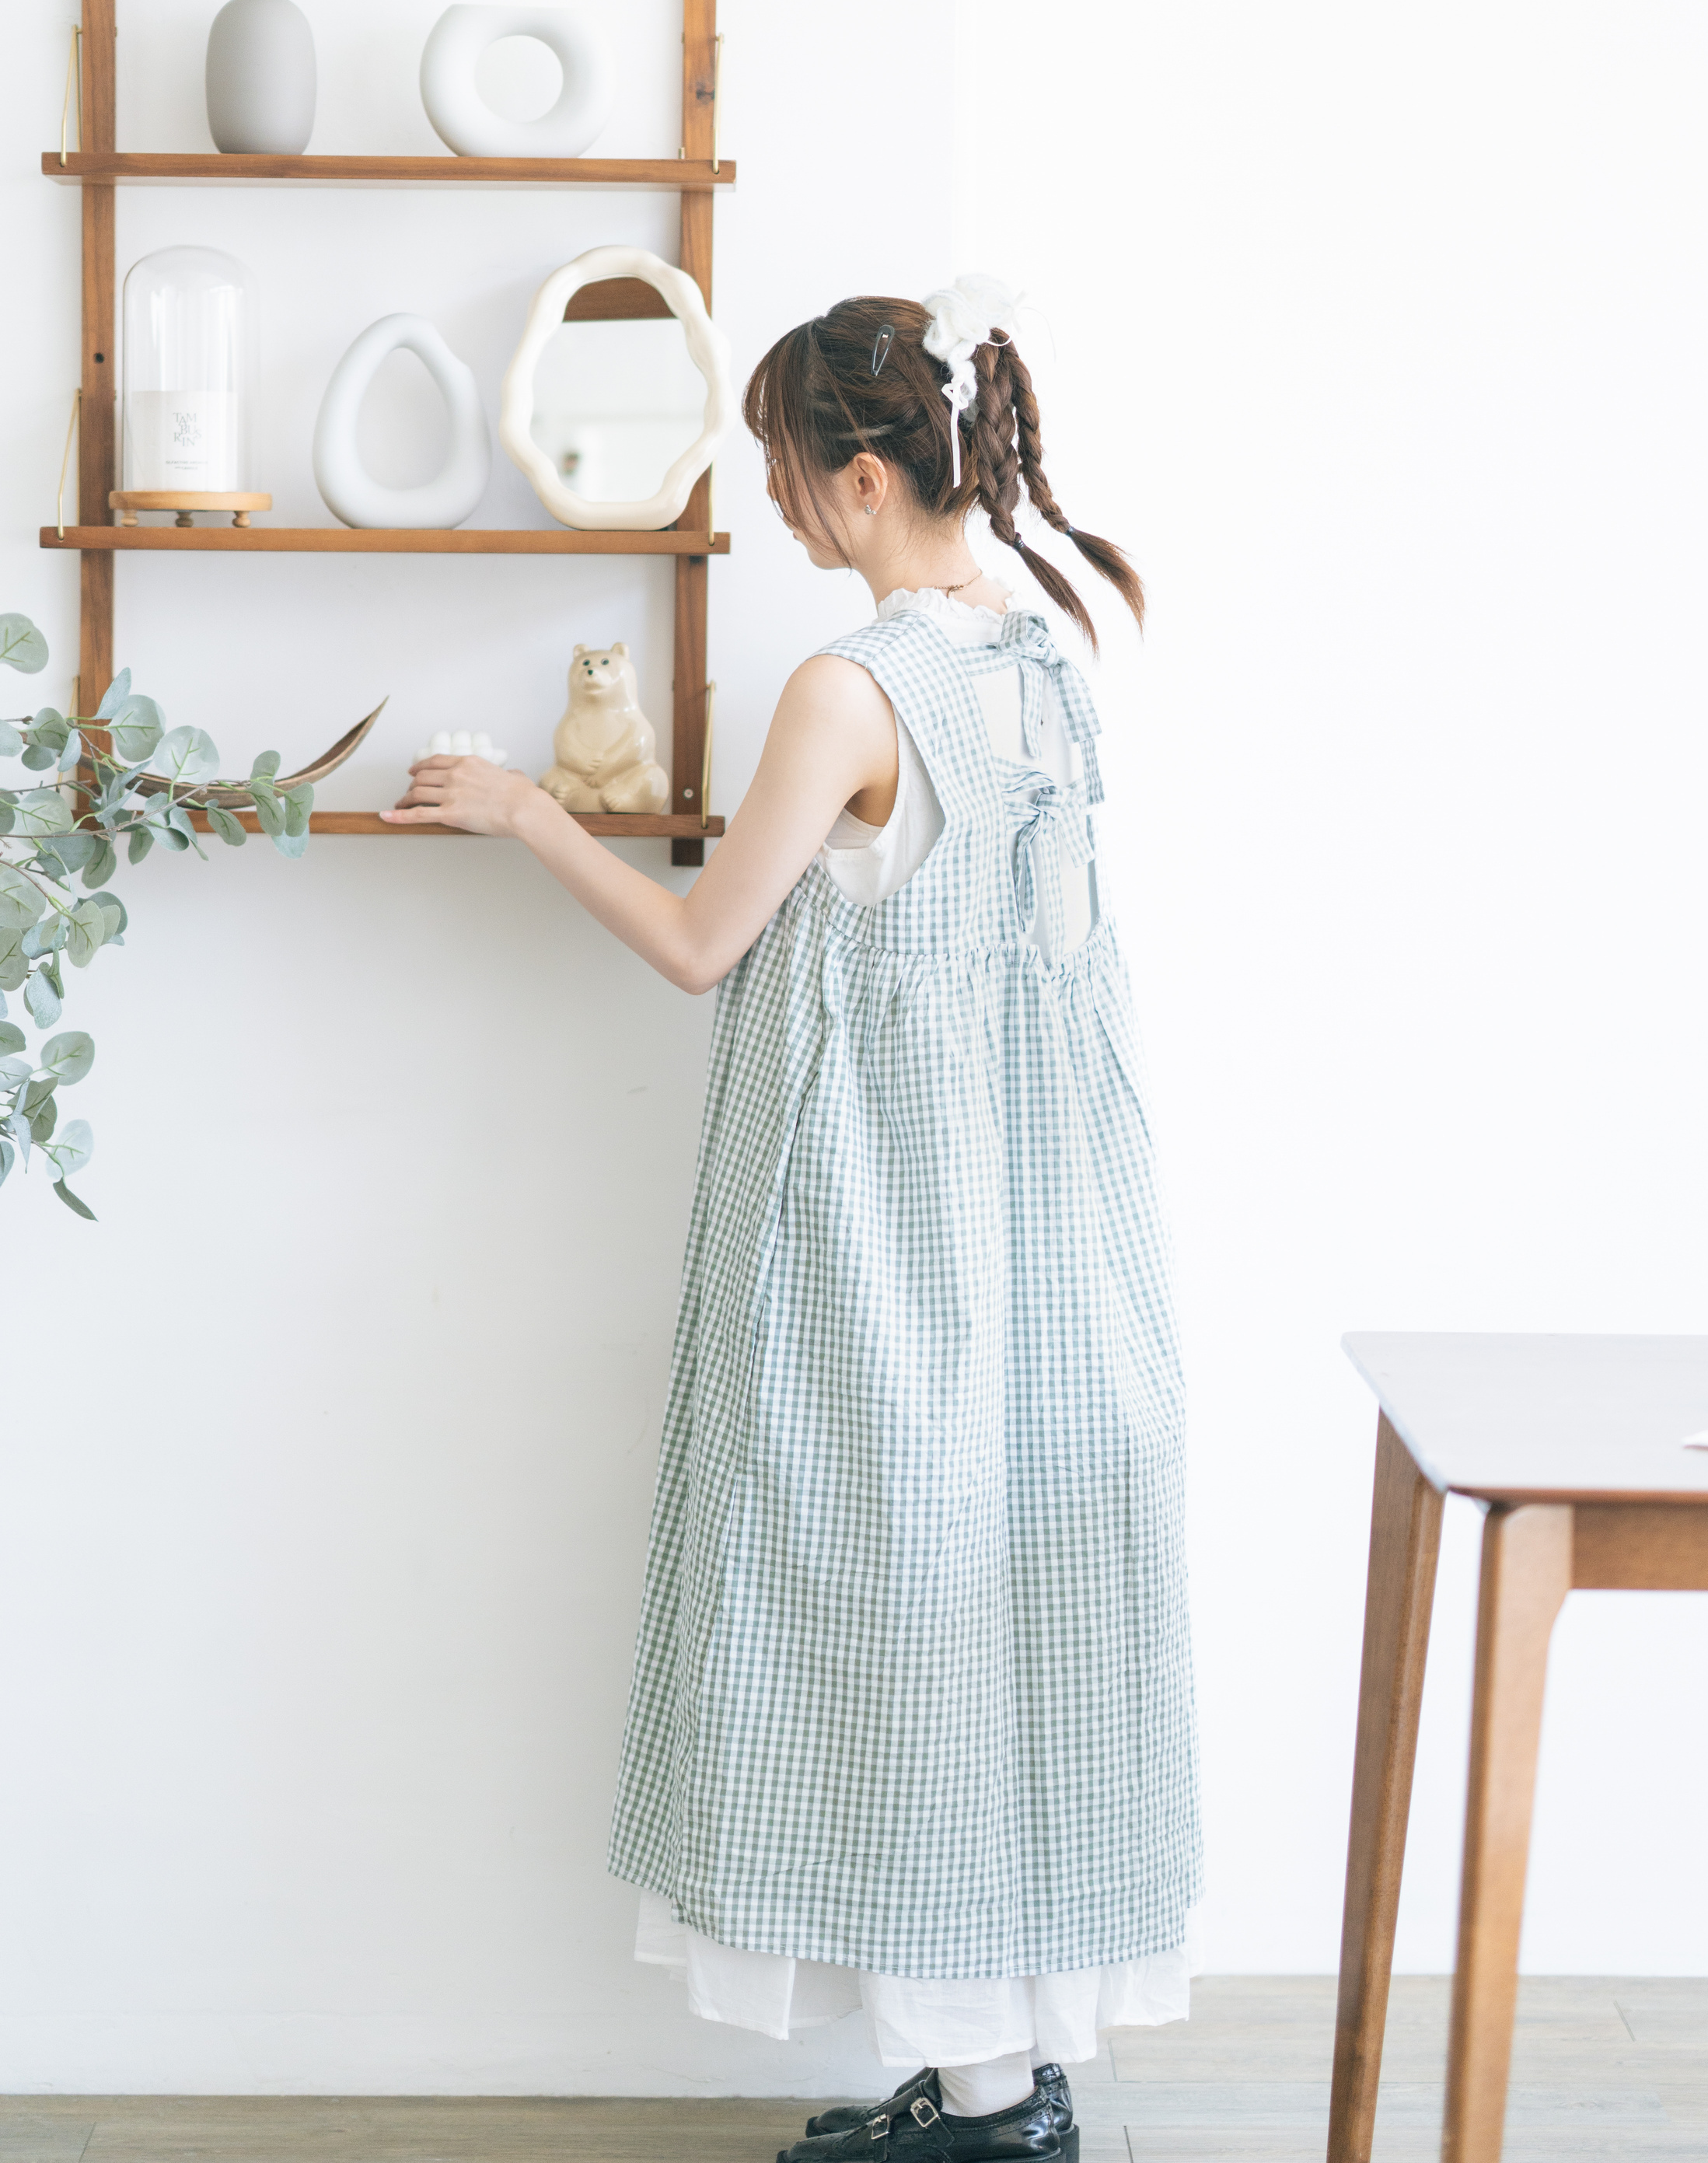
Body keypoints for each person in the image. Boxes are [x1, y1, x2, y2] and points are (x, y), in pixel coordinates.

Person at [386, 278, 1199, 2163]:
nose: (764, 499)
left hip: (893, 1243)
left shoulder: (854, 688)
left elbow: (701, 946)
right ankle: (1004, 2079)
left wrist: (525, 811)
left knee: (888, 1628)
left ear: (860, 476)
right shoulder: (1046, 657)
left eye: (776, 465)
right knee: (1005, 1639)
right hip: (1050, 1249)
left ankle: (990, 2119)